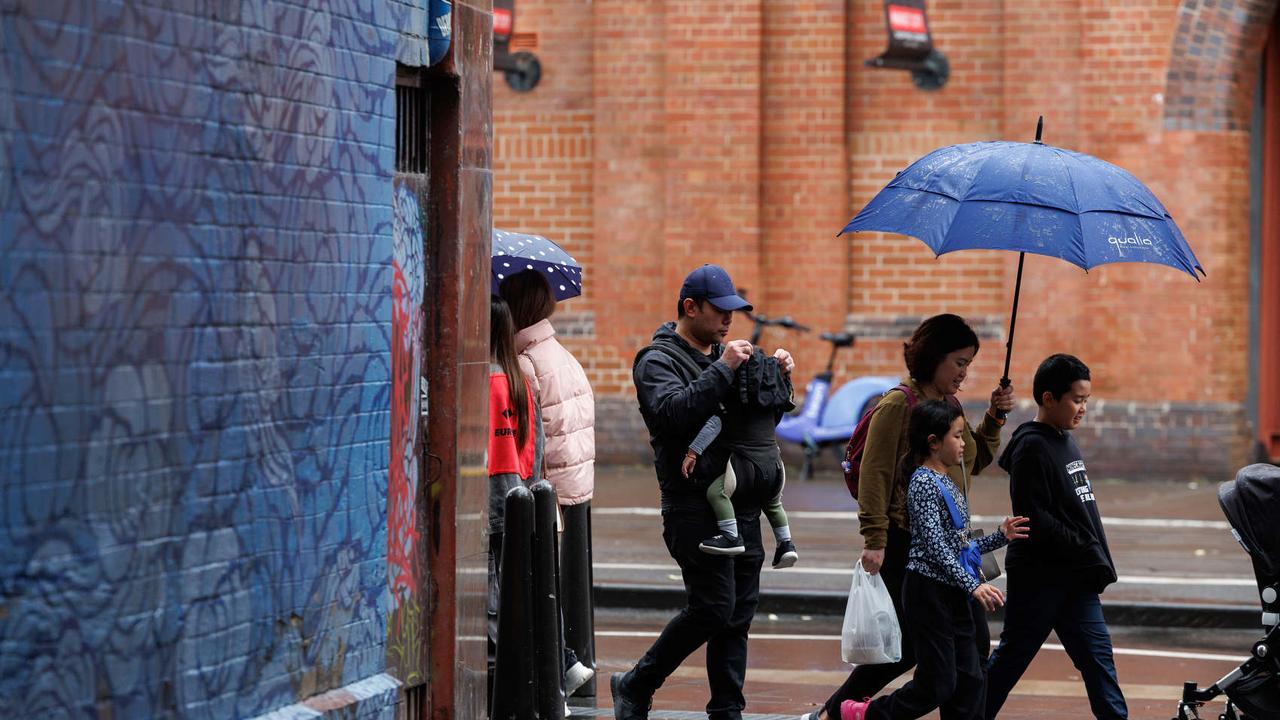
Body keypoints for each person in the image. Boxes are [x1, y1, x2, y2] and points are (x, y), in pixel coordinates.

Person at [804, 313, 1015, 720]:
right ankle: (837, 713)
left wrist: (995, 416)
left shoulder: (948, 406)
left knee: (970, 643)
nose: (964, 373)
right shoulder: (899, 404)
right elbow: (875, 474)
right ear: (933, 358)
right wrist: (875, 540)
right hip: (907, 544)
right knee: (907, 648)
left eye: (969, 364)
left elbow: (974, 460)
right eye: (959, 362)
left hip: (953, 540)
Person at [612, 263, 794, 720]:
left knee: (738, 617)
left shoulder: (724, 355)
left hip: (743, 501)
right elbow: (674, 415)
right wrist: (726, 368)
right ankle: (637, 683)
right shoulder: (656, 360)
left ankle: (727, 711)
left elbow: (757, 428)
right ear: (690, 308)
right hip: (693, 504)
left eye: (734, 311)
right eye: (720, 311)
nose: (729, 320)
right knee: (713, 608)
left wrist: (778, 381)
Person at [839, 400, 1029, 720]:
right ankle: (866, 714)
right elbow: (935, 546)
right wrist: (973, 586)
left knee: (970, 679)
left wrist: (1000, 535)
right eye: (957, 436)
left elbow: (960, 546)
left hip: (953, 591)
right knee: (937, 684)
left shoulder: (947, 481)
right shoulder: (924, 482)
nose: (964, 443)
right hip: (928, 593)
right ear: (933, 442)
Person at [984, 354, 1127, 720]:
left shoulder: (1062, 439)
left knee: (1099, 660)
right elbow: (1036, 516)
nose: (1082, 409)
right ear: (1049, 398)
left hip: (1075, 578)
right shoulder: (1032, 446)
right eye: (1076, 400)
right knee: (1010, 661)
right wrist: (1084, 545)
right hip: (1041, 578)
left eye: (1086, 401)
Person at [499, 270, 597, 696]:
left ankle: (559, 668)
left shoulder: (523, 362)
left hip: (547, 492)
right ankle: (568, 664)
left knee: (532, 586)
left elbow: (529, 438)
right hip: (575, 485)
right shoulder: (557, 353)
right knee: (552, 588)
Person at [681, 352, 800, 569]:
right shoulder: (772, 399)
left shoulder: (732, 401)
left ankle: (730, 536)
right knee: (773, 504)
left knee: (716, 493)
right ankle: (786, 544)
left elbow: (713, 426)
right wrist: (783, 375)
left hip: (745, 466)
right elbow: (786, 404)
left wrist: (692, 452)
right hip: (775, 465)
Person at [485, 295, 543, 703]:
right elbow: (534, 446)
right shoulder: (520, 381)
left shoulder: (482, 383)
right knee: (517, 581)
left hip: (488, 496)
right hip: (520, 493)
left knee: (491, 583)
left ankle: (495, 658)